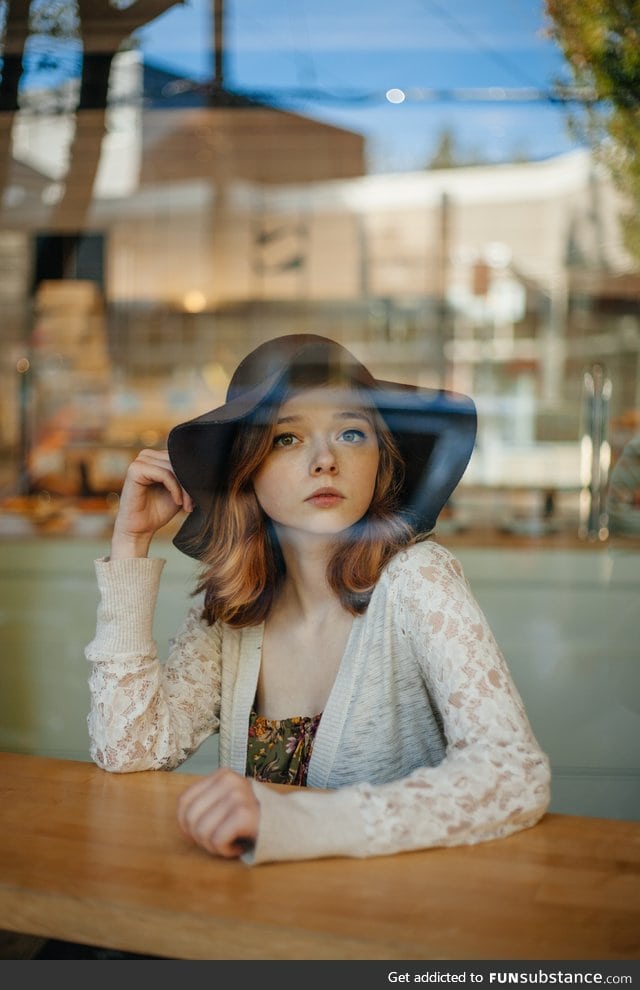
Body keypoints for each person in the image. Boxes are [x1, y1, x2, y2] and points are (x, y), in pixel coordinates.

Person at [86, 333, 550, 865]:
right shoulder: (233, 611)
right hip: (259, 920)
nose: (325, 460)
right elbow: (129, 750)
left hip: (390, 925)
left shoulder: (419, 580)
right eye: (287, 438)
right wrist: (130, 545)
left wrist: (295, 824)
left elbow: (514, 775)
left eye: (352, 433)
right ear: (247, 471)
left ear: (382, 462)